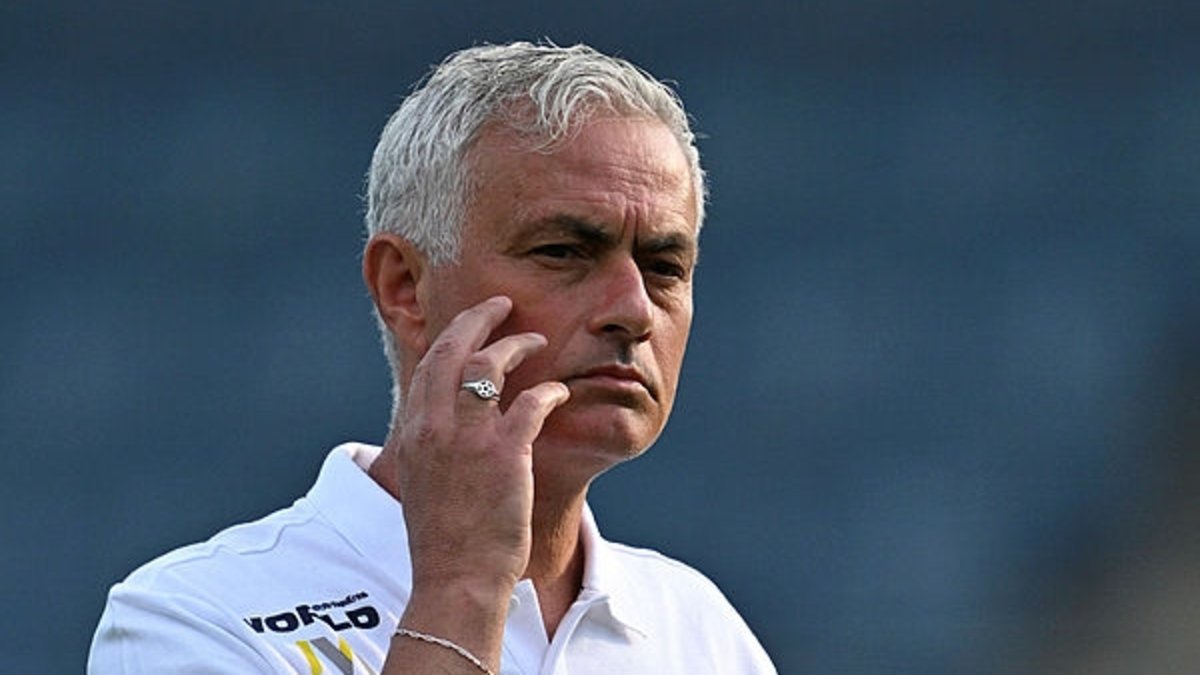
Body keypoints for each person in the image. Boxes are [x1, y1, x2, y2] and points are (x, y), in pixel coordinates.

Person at [88, 41, 776, 674]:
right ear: (405, 288)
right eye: (563, 252)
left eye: (665, 266)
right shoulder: (192, 618)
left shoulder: (701, 630)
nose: (633, 309)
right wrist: (461, 584)